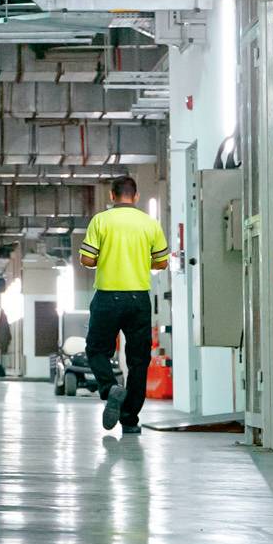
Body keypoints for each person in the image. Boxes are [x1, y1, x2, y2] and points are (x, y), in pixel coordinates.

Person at [79, 175, 170, 433]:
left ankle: (110, 388)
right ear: (136, 196)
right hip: (138, 298)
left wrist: (105, 259)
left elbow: (87, 260)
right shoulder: (149, 223)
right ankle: (130, 420)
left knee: (96, 349)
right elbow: (162, 263)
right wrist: (142, 262)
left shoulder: (101, 221)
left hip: (107, 296)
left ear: (111, 196)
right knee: (139, 361)